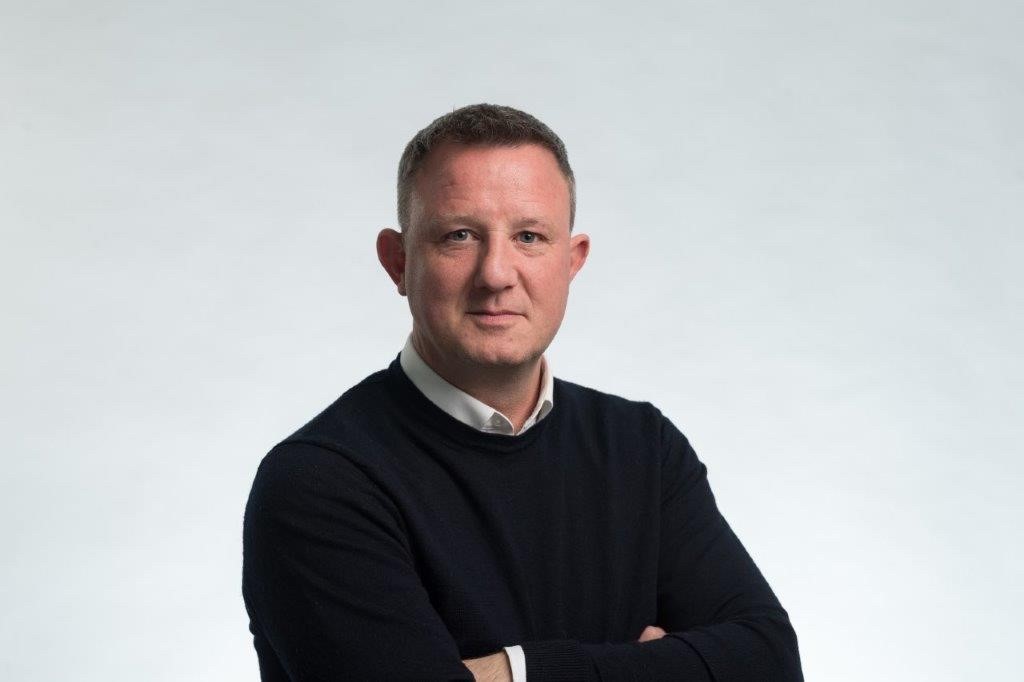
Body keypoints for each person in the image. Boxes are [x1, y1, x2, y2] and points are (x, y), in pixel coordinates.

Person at [242, 104, 803, 681]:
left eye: (529, 237)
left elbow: (773, 663)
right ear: (398, 262)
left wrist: (514, 672)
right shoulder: (319, 482)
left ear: (571, 262)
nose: (496, 274)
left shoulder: (642, 447)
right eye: (459, 236)